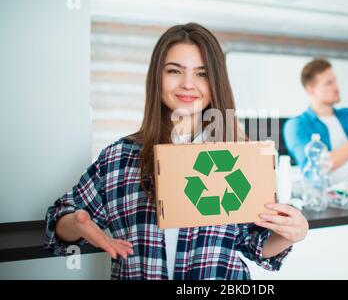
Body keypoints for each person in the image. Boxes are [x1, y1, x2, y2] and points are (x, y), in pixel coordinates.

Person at [44, 23, 309, 280]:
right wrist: (76, 223)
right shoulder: (118, 157)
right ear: (157, 78)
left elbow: (255, 244)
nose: (187, 84)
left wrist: (291, 233)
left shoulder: (239, 157)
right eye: (174, 71)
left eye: (202, 74)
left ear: (215, 81)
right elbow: (60, 218)